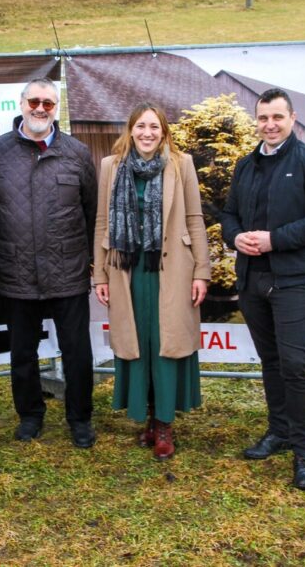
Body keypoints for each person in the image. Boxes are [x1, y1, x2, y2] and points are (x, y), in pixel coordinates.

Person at [220, 88, 305, 491]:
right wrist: (235, 238)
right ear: (256, 121)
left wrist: (275, 240)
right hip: (253, 278)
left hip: (294, 279)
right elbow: (230, 215)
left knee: (295, 364)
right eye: (262, 118)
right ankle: (280, 431)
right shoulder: (245, 165)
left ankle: (304, 453)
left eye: (277, 117)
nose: (269, 125)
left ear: (292, 119)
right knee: (271, 361)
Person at [0, 77, 98, 449]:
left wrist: (91, 261)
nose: (40, 109)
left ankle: (80, 418)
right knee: (22, 353)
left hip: (68, 271)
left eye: (49, 103)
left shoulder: (77, 154)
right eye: (35, 101)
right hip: (16, 272)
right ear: (21, 103)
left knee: (77, 351)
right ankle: (30, 415)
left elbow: (91, 212)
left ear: (56, 109)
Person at [93, 104, 210, 461]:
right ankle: (145, 416)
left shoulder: (181, 164)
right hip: (126, 268)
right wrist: (99, 273)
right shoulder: (110, 167)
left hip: (171, 268)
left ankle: (164, 425)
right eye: (141, 126)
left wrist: (202, 271)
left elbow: (194, 218)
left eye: (154, 127)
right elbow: (101, 221)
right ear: (130, 130)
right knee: (137, 343)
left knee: (165, 343)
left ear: (164, 131)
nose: (147, 133)